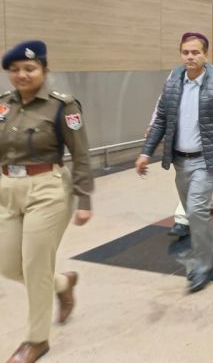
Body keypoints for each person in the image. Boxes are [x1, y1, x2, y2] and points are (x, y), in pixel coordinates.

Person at [0, 40, 93, 363]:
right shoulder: (3, 105)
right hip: (7, 189)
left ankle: (36, 341)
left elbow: (80, 155)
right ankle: (63, 283)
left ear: (44, 70)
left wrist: (84, 200)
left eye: (29, 68)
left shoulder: (61, 106)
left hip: (48, 189)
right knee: (8, 264)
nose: (22, 75)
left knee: (35, 264)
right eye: (15, 70)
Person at [136, 32, 213, 293]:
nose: (190, 57)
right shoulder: (173, 83)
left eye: (195, 52)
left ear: (205, 54)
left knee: (195, 209)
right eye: (185, 52)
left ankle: (205, 263)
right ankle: (201, 251)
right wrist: (146, 153)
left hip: (207, 160)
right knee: (193, 211)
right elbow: (161, 121)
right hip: (180, 160)